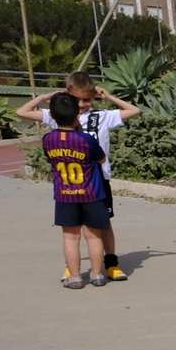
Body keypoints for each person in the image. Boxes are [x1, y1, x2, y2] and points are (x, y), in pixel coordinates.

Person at [17, 71, 141, 282]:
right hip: (71, 182)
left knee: (103, 224)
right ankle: (73, 268)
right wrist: (45, 98)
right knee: (73, 230)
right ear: (67, 95)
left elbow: (134, 110)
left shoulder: (102, 116)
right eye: (77, 99)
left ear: (94, 96)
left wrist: (108, 97)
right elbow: (22, 112)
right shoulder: (59, 113)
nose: (82, 104)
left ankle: (111, 263)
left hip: (98, 180)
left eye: (87, 99)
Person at [43, 92, 110, 289]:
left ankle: (75, 277)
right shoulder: (86, 140)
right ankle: (97, 274)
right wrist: (79, 130)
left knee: (70, 238)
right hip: (92, 194)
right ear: (78, 116)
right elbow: (101, 159)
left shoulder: (48, 139)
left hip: (65, 195)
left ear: (53, 117)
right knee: (94, 236)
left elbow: (51, 159)